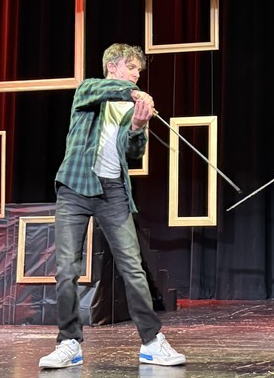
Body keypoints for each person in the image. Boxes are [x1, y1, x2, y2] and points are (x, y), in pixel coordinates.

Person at [39, 43, 186, 370]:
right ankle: (69, 342)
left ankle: (151, 342)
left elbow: (135, 152)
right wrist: (134, 93)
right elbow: (105, 89)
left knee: (133, 268)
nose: (137, 75)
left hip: (113, 191)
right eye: (133, 68)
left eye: (138, 73)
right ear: (116, 65)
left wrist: (137, 124)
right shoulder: (89, 90)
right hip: (75, 187)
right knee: (66, 270)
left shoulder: (129, 105)